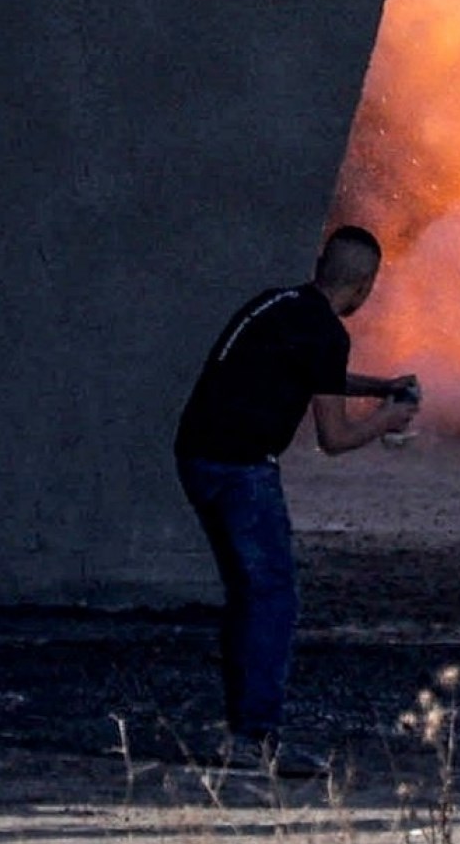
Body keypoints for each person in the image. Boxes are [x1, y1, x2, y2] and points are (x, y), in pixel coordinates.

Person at [171, 228, 420, 777]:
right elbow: (334, 438)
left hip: (198, 456)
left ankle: (242, 727)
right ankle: (255, 737)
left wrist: (378, 386)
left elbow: (313, 372)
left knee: (248, 595)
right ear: (363, 285)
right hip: (242, 467)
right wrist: (387, 420)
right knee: (272, 600)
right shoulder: (327, 334)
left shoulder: (277, 304)